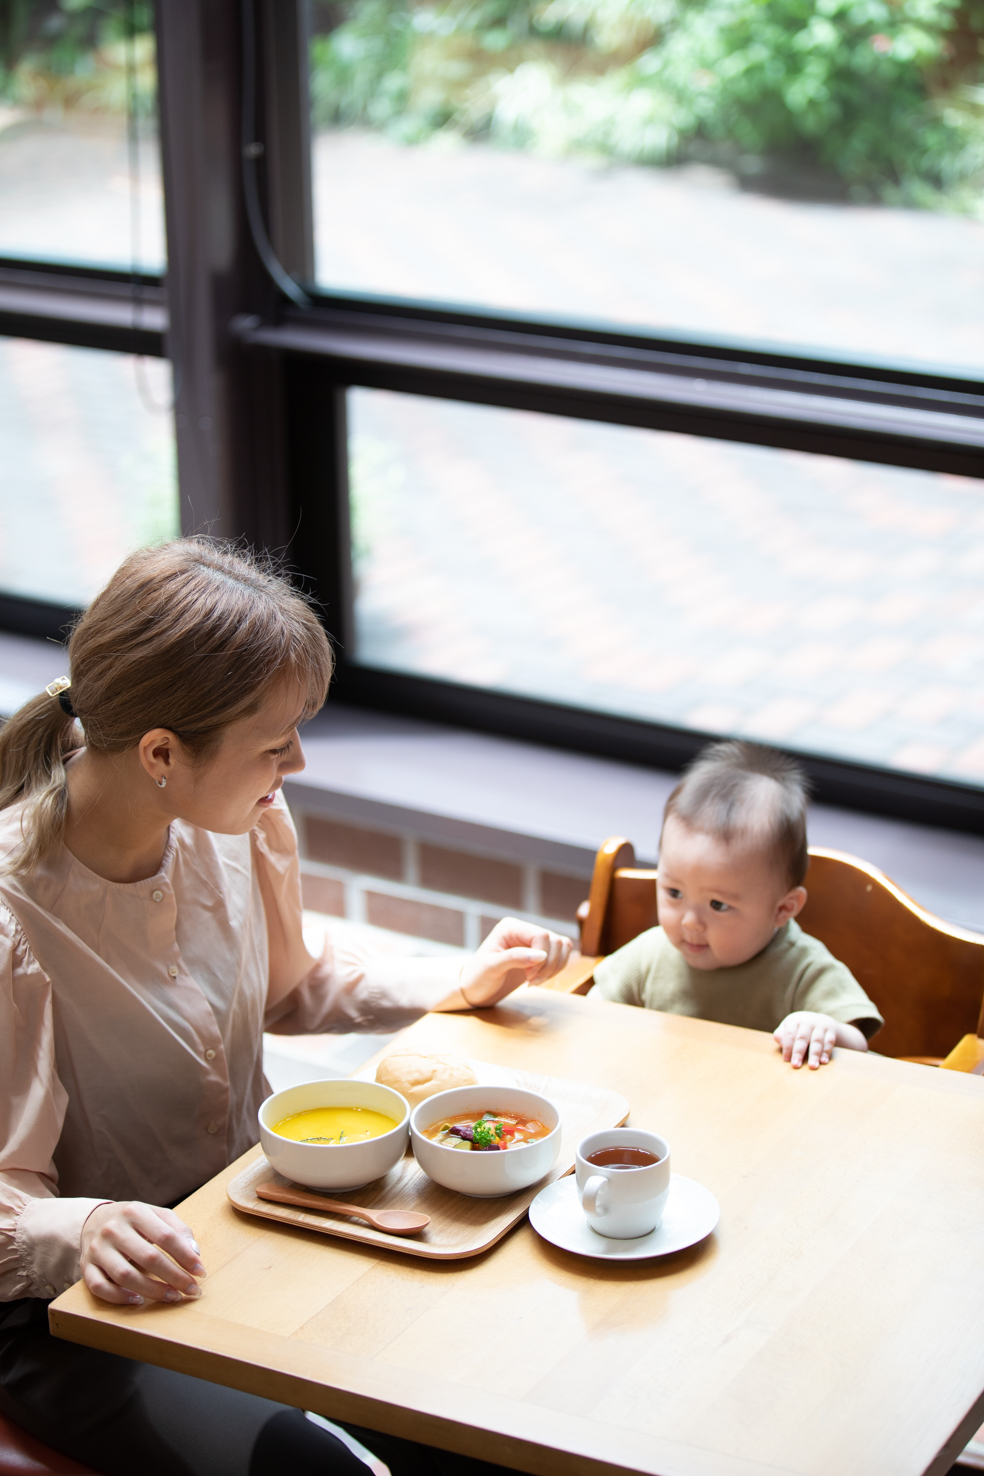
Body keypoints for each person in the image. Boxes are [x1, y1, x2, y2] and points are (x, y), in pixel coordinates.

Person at [0, 538, 572, 1476]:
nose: (297, 762)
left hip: (245, 1228)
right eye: (276, 742)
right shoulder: (11, 918)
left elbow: (289, 985)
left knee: (489, 1412)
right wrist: (89, 1228)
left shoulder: (235, 822)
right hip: (72, 1313)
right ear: (160, 754)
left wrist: (452, 984)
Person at [590, 741, 883, 1068]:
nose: (690, 922)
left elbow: (858, 1046)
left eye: (717, 904)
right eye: (674, 893)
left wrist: (825, 1029)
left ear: (783, 909)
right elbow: (592, 1016)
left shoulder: (803, 969)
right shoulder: (651, 955)